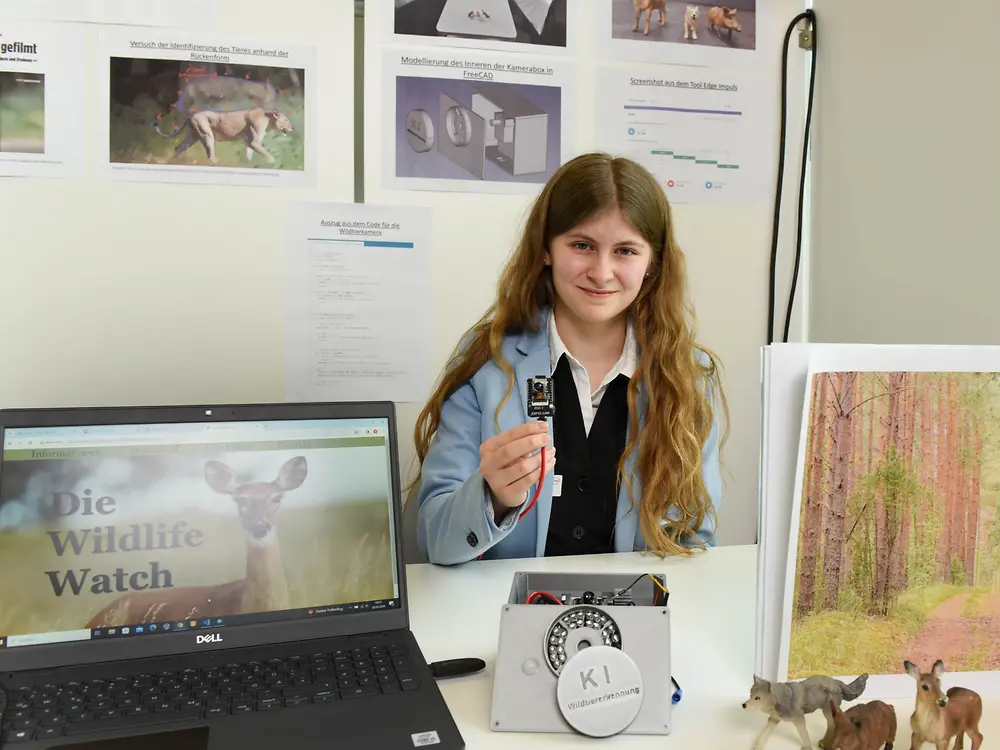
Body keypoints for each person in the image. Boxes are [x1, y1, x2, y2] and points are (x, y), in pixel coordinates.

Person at [410, 152, 728, 565]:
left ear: (653, 263)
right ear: (546, 249)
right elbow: (435, 539)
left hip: (635, 621)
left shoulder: (688, 379)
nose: (601, 272)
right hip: (506, 617)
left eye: (626, 251)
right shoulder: (485, 363)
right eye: (582, 245)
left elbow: (695, 544)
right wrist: (494, 498)